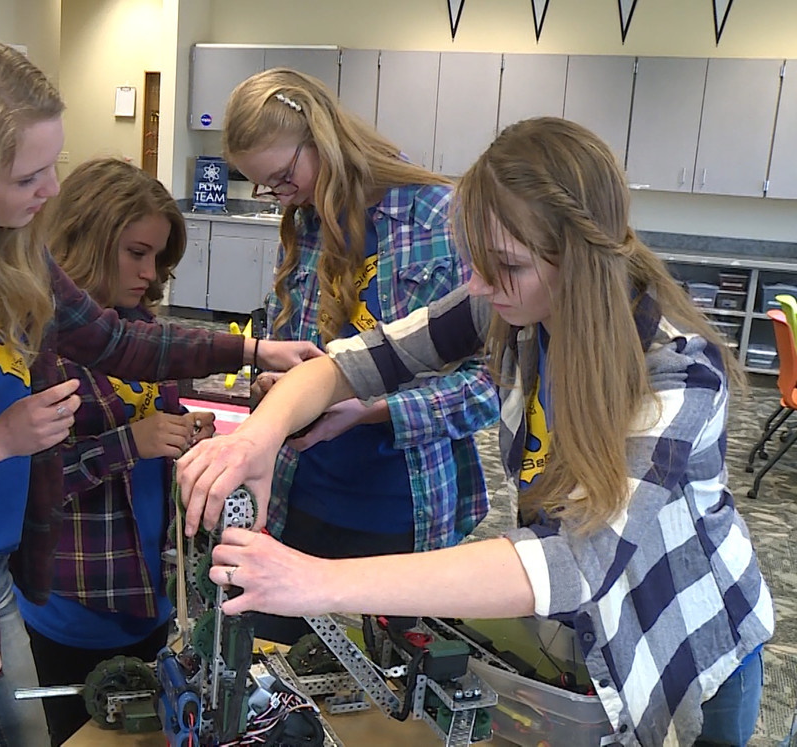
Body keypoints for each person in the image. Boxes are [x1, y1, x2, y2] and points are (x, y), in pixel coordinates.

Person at [178, 117, 772, 746]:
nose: (480, 287)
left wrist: (315, 580)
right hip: (581, 638)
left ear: (578, 258)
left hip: (684, 653)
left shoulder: (677, 375)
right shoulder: (515, 298)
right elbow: (355, 363)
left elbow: (575, 559)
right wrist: (258, 437)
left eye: (506, 266)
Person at [0, 37, 320, 747]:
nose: (50, 190)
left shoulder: (16, 258)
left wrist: (249, 349)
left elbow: (123, 343)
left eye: (51, 167)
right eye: (29, 175)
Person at [220, 68, 498, 643]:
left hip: (403, 512)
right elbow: (304, 356)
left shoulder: (440, 219)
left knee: (388, 681)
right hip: (300, 500)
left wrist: (372, 411)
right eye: (265, 187)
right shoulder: (308, 225)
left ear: (321, 137)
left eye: (283, 177)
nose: (281, 197)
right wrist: (279, 389)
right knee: (280, 670)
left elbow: (491, 384)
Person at [16, 158, 217, 745]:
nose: (149, 273)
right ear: (89, 239)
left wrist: (182, 433)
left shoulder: (140, 329)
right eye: (136, 253)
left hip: (151, 598)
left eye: (158, 257)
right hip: (74, 610)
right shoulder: (36, 343)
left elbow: (152, 423)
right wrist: (131, 443)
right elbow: (23, 482)